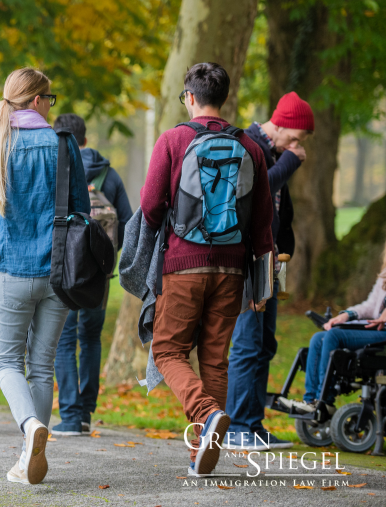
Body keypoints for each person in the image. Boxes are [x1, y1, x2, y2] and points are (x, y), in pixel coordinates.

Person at [141, 63, 273, 477]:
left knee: (166, 349)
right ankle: (203, 448)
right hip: (234, 268)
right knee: (215, 359)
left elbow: (149, 205)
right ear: (225, 98)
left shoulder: (174, 139)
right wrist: (262, 281)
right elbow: (263, 221)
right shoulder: (251, 148)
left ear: (190, 97)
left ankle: (205, 413)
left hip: (183, 263)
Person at [0, 67, 90, 485]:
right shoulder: (64, 144)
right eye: (50, 99)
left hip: (11, 268)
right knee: (41, 366)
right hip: (59, 271)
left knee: (6, 361)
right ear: (38, 101)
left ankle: (29, 429)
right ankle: (29, 455)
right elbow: (81, 209)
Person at [225, 92, 314, 451]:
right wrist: (291, 160)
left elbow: (280, 206)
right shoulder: (250, 146)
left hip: (270, 261)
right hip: (246, 261)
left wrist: (286, 244)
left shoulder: (276, 152)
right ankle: (236, 428)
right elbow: (258, 192)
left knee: (265, 344)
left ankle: (253, 423)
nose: (298, 147)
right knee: (247, 343)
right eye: (295, 138)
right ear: (280, 125)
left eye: (301, 143)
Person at [49, 113, 133, 436]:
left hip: (66, 271)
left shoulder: (58, 167)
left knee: (64, 339)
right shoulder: (109, 174)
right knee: (92, 338)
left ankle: (69, 417)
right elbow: (126, 220)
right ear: (84, 139)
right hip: (99, 275)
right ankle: (85, 413)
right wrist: (106, 260)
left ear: (61, 139)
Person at [279, 240, 386, 415]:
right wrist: (346, 315)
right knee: (318, 338)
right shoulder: (384, 274)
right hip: (373, 328)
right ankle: (311, 400)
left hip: (383, 333)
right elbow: (370, 306)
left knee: (333, 336)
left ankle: (325, 399)